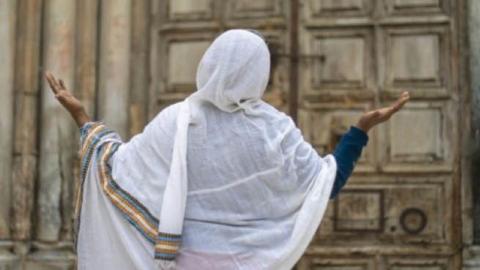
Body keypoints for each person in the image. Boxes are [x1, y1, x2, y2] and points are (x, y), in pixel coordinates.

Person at [45, 29, 409, 270]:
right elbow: (324, 185)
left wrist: (82, 117)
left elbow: (115, 171)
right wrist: (359, 131)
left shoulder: (178, 120)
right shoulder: (274, 130)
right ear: (260, 72)